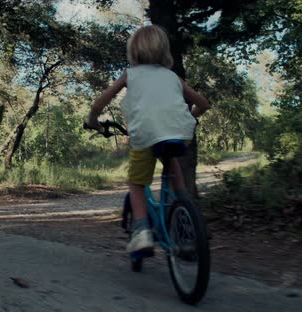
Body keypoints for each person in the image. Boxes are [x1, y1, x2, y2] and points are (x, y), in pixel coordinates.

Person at [85, 25, 210, 255]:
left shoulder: (130, 75)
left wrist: (93, 120)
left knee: (136, 183)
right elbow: (203, 104)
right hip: (179, 134)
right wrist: (188, 118)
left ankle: (142, 230)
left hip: (146, 134)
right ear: (164, 52)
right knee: (171, 161)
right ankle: (185, 211)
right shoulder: (173, 76)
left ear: (134, 52)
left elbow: (98, 104)